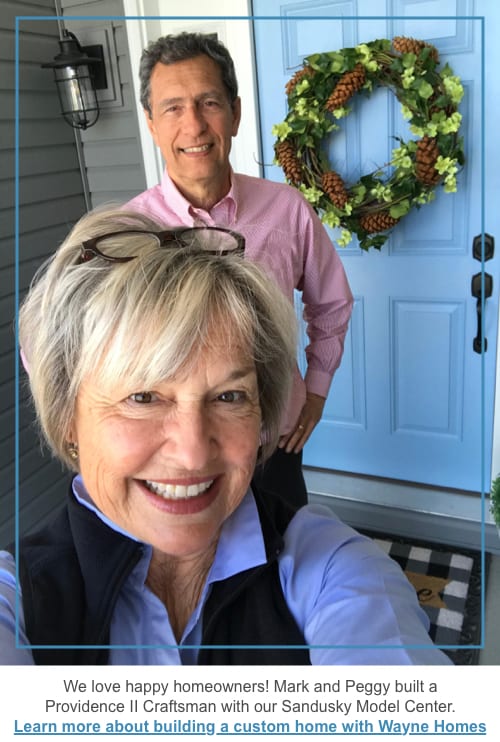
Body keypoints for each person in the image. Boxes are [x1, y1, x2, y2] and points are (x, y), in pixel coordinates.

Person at [1, 207, 451, 665]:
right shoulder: (19, 596)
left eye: (229, 397)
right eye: (142, 397)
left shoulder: (331, 566)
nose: (193, 453)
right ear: (66, 419)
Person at [126, 32, 354, 508]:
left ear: (235, 112)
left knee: (282, 559)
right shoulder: (127, 233)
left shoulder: (287, 210)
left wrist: (316, 392)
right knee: (196, 579)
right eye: (172, 108)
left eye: (208, 102)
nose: (193, 126)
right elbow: (51, 343)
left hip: (275, 442)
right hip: (179, 457)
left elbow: (331, 304)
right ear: (150, 122)